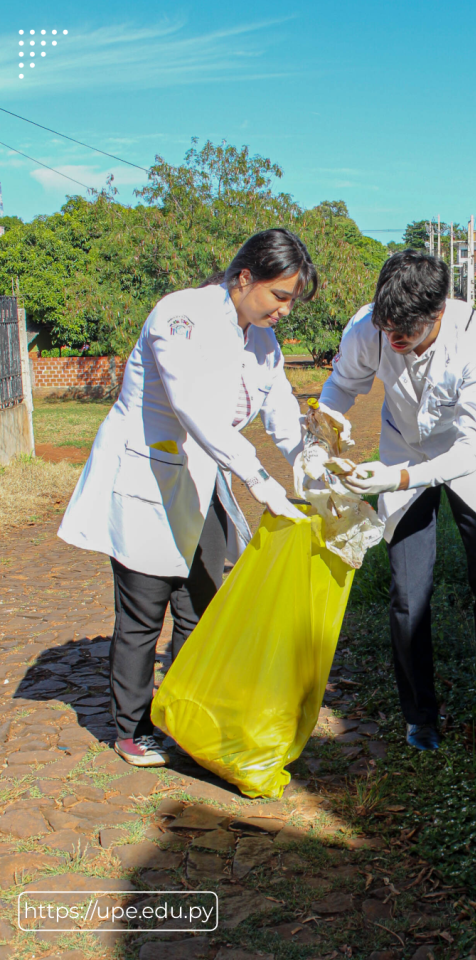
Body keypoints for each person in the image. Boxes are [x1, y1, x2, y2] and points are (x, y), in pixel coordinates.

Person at [58, 228, 316, 766]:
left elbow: (283, 413)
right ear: (245, 278)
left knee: (202, 604)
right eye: (281, 296)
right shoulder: (181, 317)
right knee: (142, 612)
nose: (285, 310)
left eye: (291, 300)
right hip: (150, 477)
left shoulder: (263, 340)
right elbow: (195, 408)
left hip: (204, 479)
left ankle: (181, 712)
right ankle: (131, 729)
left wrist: (312, 470)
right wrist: (262, 483)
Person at [318, 250, 476, 752]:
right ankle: (420, 716)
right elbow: (342, 386)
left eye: (405, 332)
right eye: (387, 328)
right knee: (409, 594)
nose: (394, 341)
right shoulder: (369, 326)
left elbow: (473, 448)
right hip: (403, 444)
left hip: (469, 456)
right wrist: (320, 438)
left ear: (440, 311)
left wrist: (398, 478)